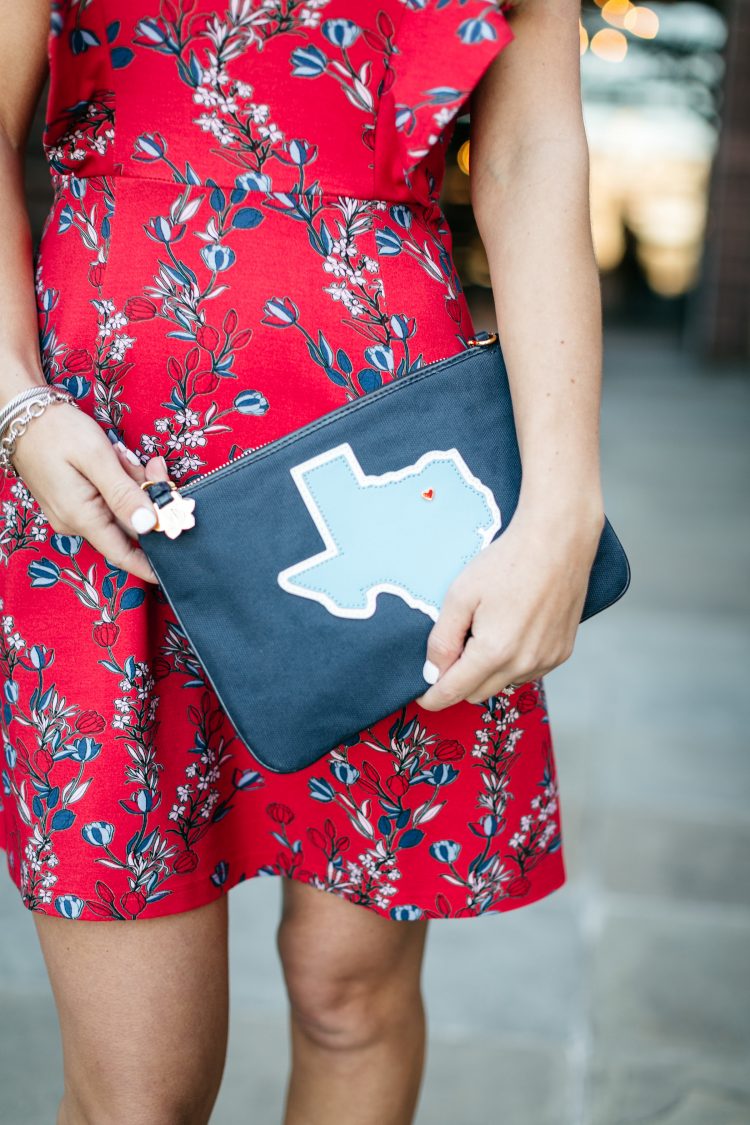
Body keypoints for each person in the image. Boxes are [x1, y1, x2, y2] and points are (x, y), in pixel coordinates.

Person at [0, 1, 605, 1122]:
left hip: (396, 477)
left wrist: (563, 502)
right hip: (110, 486)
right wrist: (14, 401)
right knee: (143, 1091)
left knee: (351, 996)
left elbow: (530, 146)